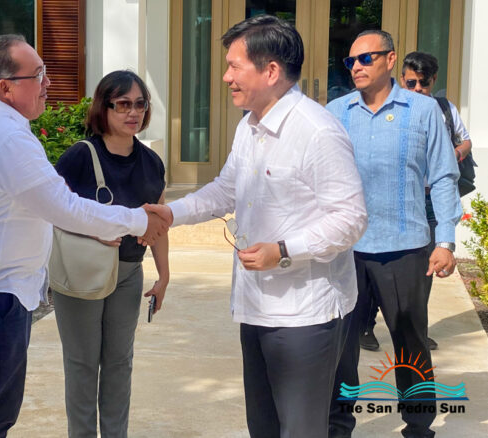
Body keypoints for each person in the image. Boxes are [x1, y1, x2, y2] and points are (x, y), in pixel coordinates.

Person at [145, 15, 367, 438]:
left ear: (271, 71)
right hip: (257, 306)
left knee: (301, 429)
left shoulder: (317, 132)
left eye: (234, 66)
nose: (226, 77)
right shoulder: (249, 127)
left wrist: (283, 250)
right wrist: (173, 214)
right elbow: (227, 189)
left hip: (305, 314)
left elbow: (350, 218)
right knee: (263, 426)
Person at [0, 35, 169, 438]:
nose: (48, 83)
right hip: (0, 294)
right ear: (6, 87)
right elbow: (65, 207)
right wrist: (136, 221)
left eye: (140, 104)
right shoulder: (9, 138)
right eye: (38, 75)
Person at [327, 31, 462, 438]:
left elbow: (444, 176)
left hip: (404, 249)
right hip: (346, 252)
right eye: (350, 61)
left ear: (390, 59)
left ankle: (418, 427)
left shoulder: (423, 110)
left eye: (366, 58)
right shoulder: (335, 112)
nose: (356, 67)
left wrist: (445, 240)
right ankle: (336, 427)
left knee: (411, 344)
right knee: (340, 348)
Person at [51, 70, 168, 438]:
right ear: (104, 107)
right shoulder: (80, 156)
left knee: (120, 363)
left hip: (129, 273)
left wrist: (164, 276)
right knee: (82, 365)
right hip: (81, 273)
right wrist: (94, 230)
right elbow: (51, 211)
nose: (133, 112)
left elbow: (158, 224)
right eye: (123, 104)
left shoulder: (151, 162)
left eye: (140, 104)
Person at [359, 51, 473, 352]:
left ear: (433, 81)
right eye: (411, 83)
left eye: (424, 83)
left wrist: (454, 153)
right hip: (396, 198)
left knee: (423, 268)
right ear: (401, 78)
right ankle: (365, 325)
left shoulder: (443, 109)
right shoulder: (390, 110)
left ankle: (415, 328)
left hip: (431, 200)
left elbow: (465, 140)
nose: (418, 89)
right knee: (379, 262)